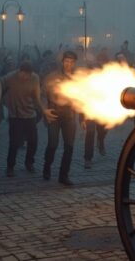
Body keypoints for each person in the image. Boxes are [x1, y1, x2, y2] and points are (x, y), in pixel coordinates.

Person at [1, 61, 53, 177]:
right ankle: (10, 166)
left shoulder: (34, 78)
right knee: (14, 143)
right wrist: (4, 103)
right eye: (25, 74)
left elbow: (37, 97)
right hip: (15, 115)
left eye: (29, 74)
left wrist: (43, 111)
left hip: (30, 114)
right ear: (20, 71)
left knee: (33, 141)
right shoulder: (9, 78)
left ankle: (29, 163)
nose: (27, 77)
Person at [42, 51, 78, 185]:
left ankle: (64, 175)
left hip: (69, 115)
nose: (69, 64)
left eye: (71, 62)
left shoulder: (77, 78)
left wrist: (83, 118)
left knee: (69, 146)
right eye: (66, 61)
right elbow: (43, 94)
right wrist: (45, 109)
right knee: (53, 144)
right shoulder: (52, 77)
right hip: (54, 113)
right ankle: (47, 166)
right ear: (62, 62)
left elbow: (83, 97)